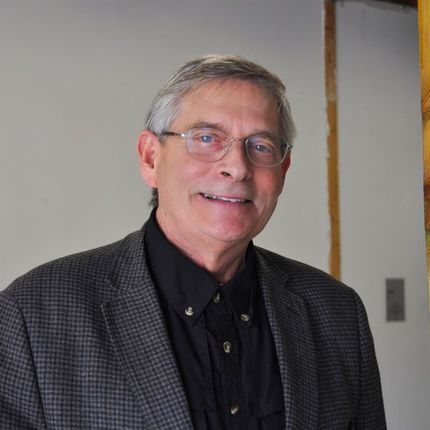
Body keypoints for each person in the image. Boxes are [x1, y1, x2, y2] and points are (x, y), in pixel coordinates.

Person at [0, 55, 386, 429]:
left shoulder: (337, 313)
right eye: (206, 137)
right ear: (151, 158)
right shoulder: (34, 313)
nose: (236, 166)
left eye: (261, 146)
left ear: (282, 172)